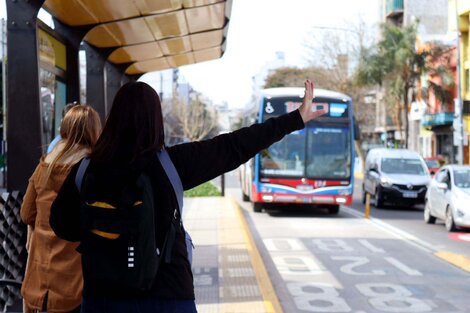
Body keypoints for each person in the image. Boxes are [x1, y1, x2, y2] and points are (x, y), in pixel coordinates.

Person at [49, 80, 327, 313]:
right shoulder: (172, 164)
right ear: (155, 119)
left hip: (103, 297)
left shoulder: (85, 171)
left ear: (113, 118)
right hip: (169, 295)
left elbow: (61, 225)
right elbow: (233, 146)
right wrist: (296, 118)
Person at [21, 105, 102, 313]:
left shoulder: (44, 166)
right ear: (94, 131)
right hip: (76, 286)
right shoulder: (91, 170)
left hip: (41, 286)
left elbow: (26, 213)